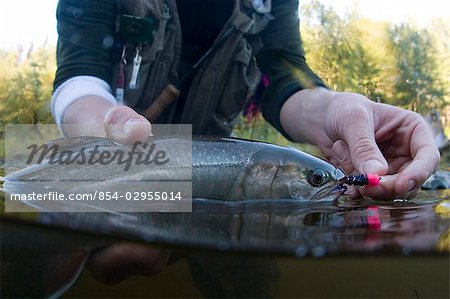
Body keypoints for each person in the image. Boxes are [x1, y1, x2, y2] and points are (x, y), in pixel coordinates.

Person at [53, 0, 440, 284]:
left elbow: (280, 75)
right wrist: (106, 124)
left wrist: (335, 108)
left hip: (221, 179)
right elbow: (79, 70)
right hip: (103, 163)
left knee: (254, 280)